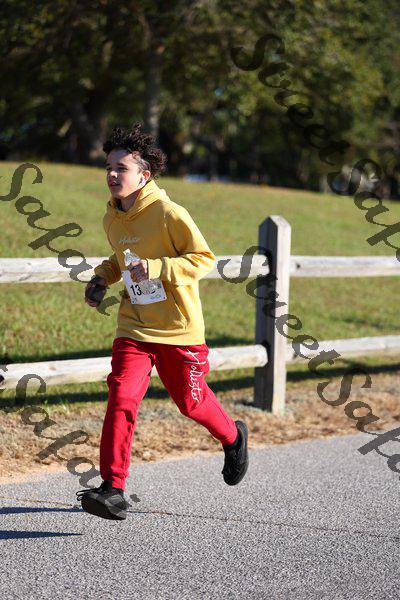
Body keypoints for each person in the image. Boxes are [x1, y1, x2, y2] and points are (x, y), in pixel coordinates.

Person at [76, 122, 249, 521]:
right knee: (121, 396)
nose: (112, 174)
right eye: (108, 167)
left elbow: (203, 260)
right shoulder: (112, 217)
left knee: (191, 402)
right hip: (134, 325)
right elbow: (121, 260)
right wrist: (102, 278)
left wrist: (156, 268)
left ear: (144, 175)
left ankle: (233, 437)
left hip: (177, 328)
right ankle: (113, 488)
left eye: (121, 168)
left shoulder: (169, 213)